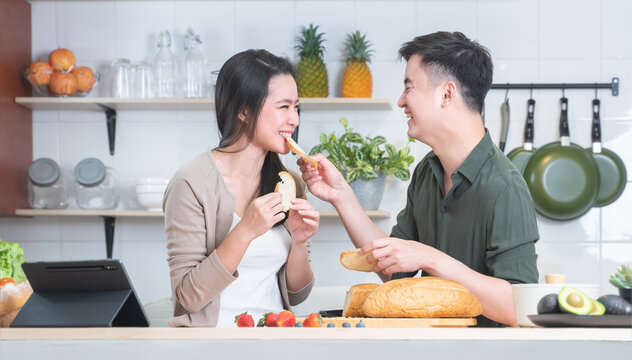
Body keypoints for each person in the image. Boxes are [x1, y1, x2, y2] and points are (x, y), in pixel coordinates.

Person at [298, 32, 538, 327]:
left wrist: (429, 258)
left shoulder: (505, 187)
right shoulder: (427, 171)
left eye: (409, 88)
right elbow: (393, 270)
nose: (401, 101)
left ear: (447, 94)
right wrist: (341, 195)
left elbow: (518, 308)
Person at [164, 49, 318, 327]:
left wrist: (299, 241)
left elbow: (297, 295)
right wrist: (245, 231)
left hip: (277, 341)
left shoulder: (289, 182)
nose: (294, 119)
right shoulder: (191, 182)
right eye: (283, 107)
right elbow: (188, 297)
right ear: (244, 110)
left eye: (296, 107)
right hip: (213, 345)